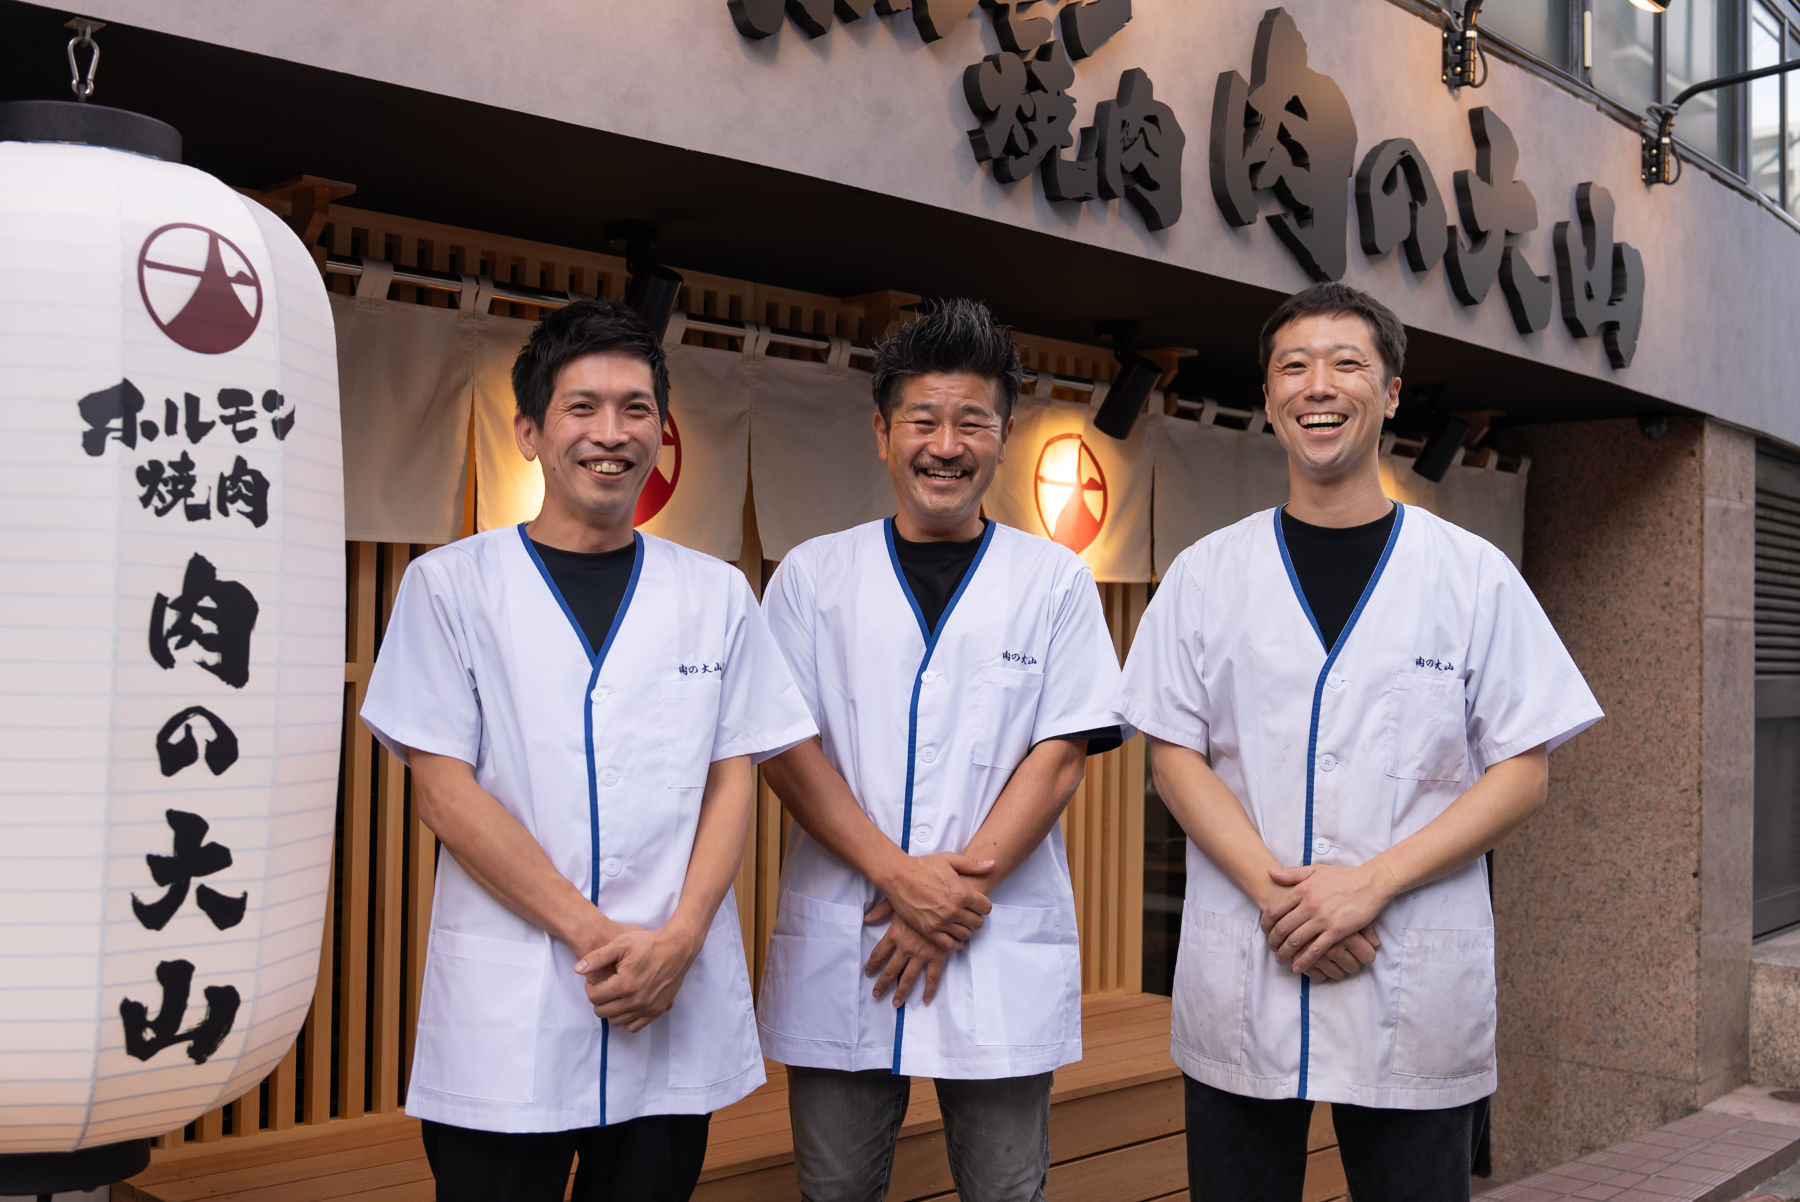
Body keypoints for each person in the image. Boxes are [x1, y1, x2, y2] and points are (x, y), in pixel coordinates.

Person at [1120, 282, 1603, 1202]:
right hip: (1250, 969)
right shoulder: (1205, 573)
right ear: (1270, 398)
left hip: (1406, 974)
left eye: (1347, 364)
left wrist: (1368, 887)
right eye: (1293, 367)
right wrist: (1287, 901)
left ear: (1389, 394)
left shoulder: (1471, 576)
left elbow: (1522, 772)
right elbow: (1174, 754)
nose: (1318, 386)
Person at [360, 298, 816, 1202]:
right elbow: (443, 794)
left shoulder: (717, 595)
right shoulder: (450, 588)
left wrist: (679, 942)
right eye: (582, 407)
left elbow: (733, 780)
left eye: (636, 409)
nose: (611, 433)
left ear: (661, 432)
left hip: (670, 1002)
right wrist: (600, 940)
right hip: (513, 1018)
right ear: (529, 432)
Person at [755, 298, 1128, 1202]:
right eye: (923, 420)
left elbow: (1060, 755)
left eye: (972, 422)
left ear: (1004, 439)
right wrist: (899, 877)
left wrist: (946, 898)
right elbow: (786, 750)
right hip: (851, 937)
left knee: (1006, 1192)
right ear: (883, 433)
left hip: (989, 935)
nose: (946, 445)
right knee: (834, 1191)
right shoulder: (812, 576)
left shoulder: (1054, 581)